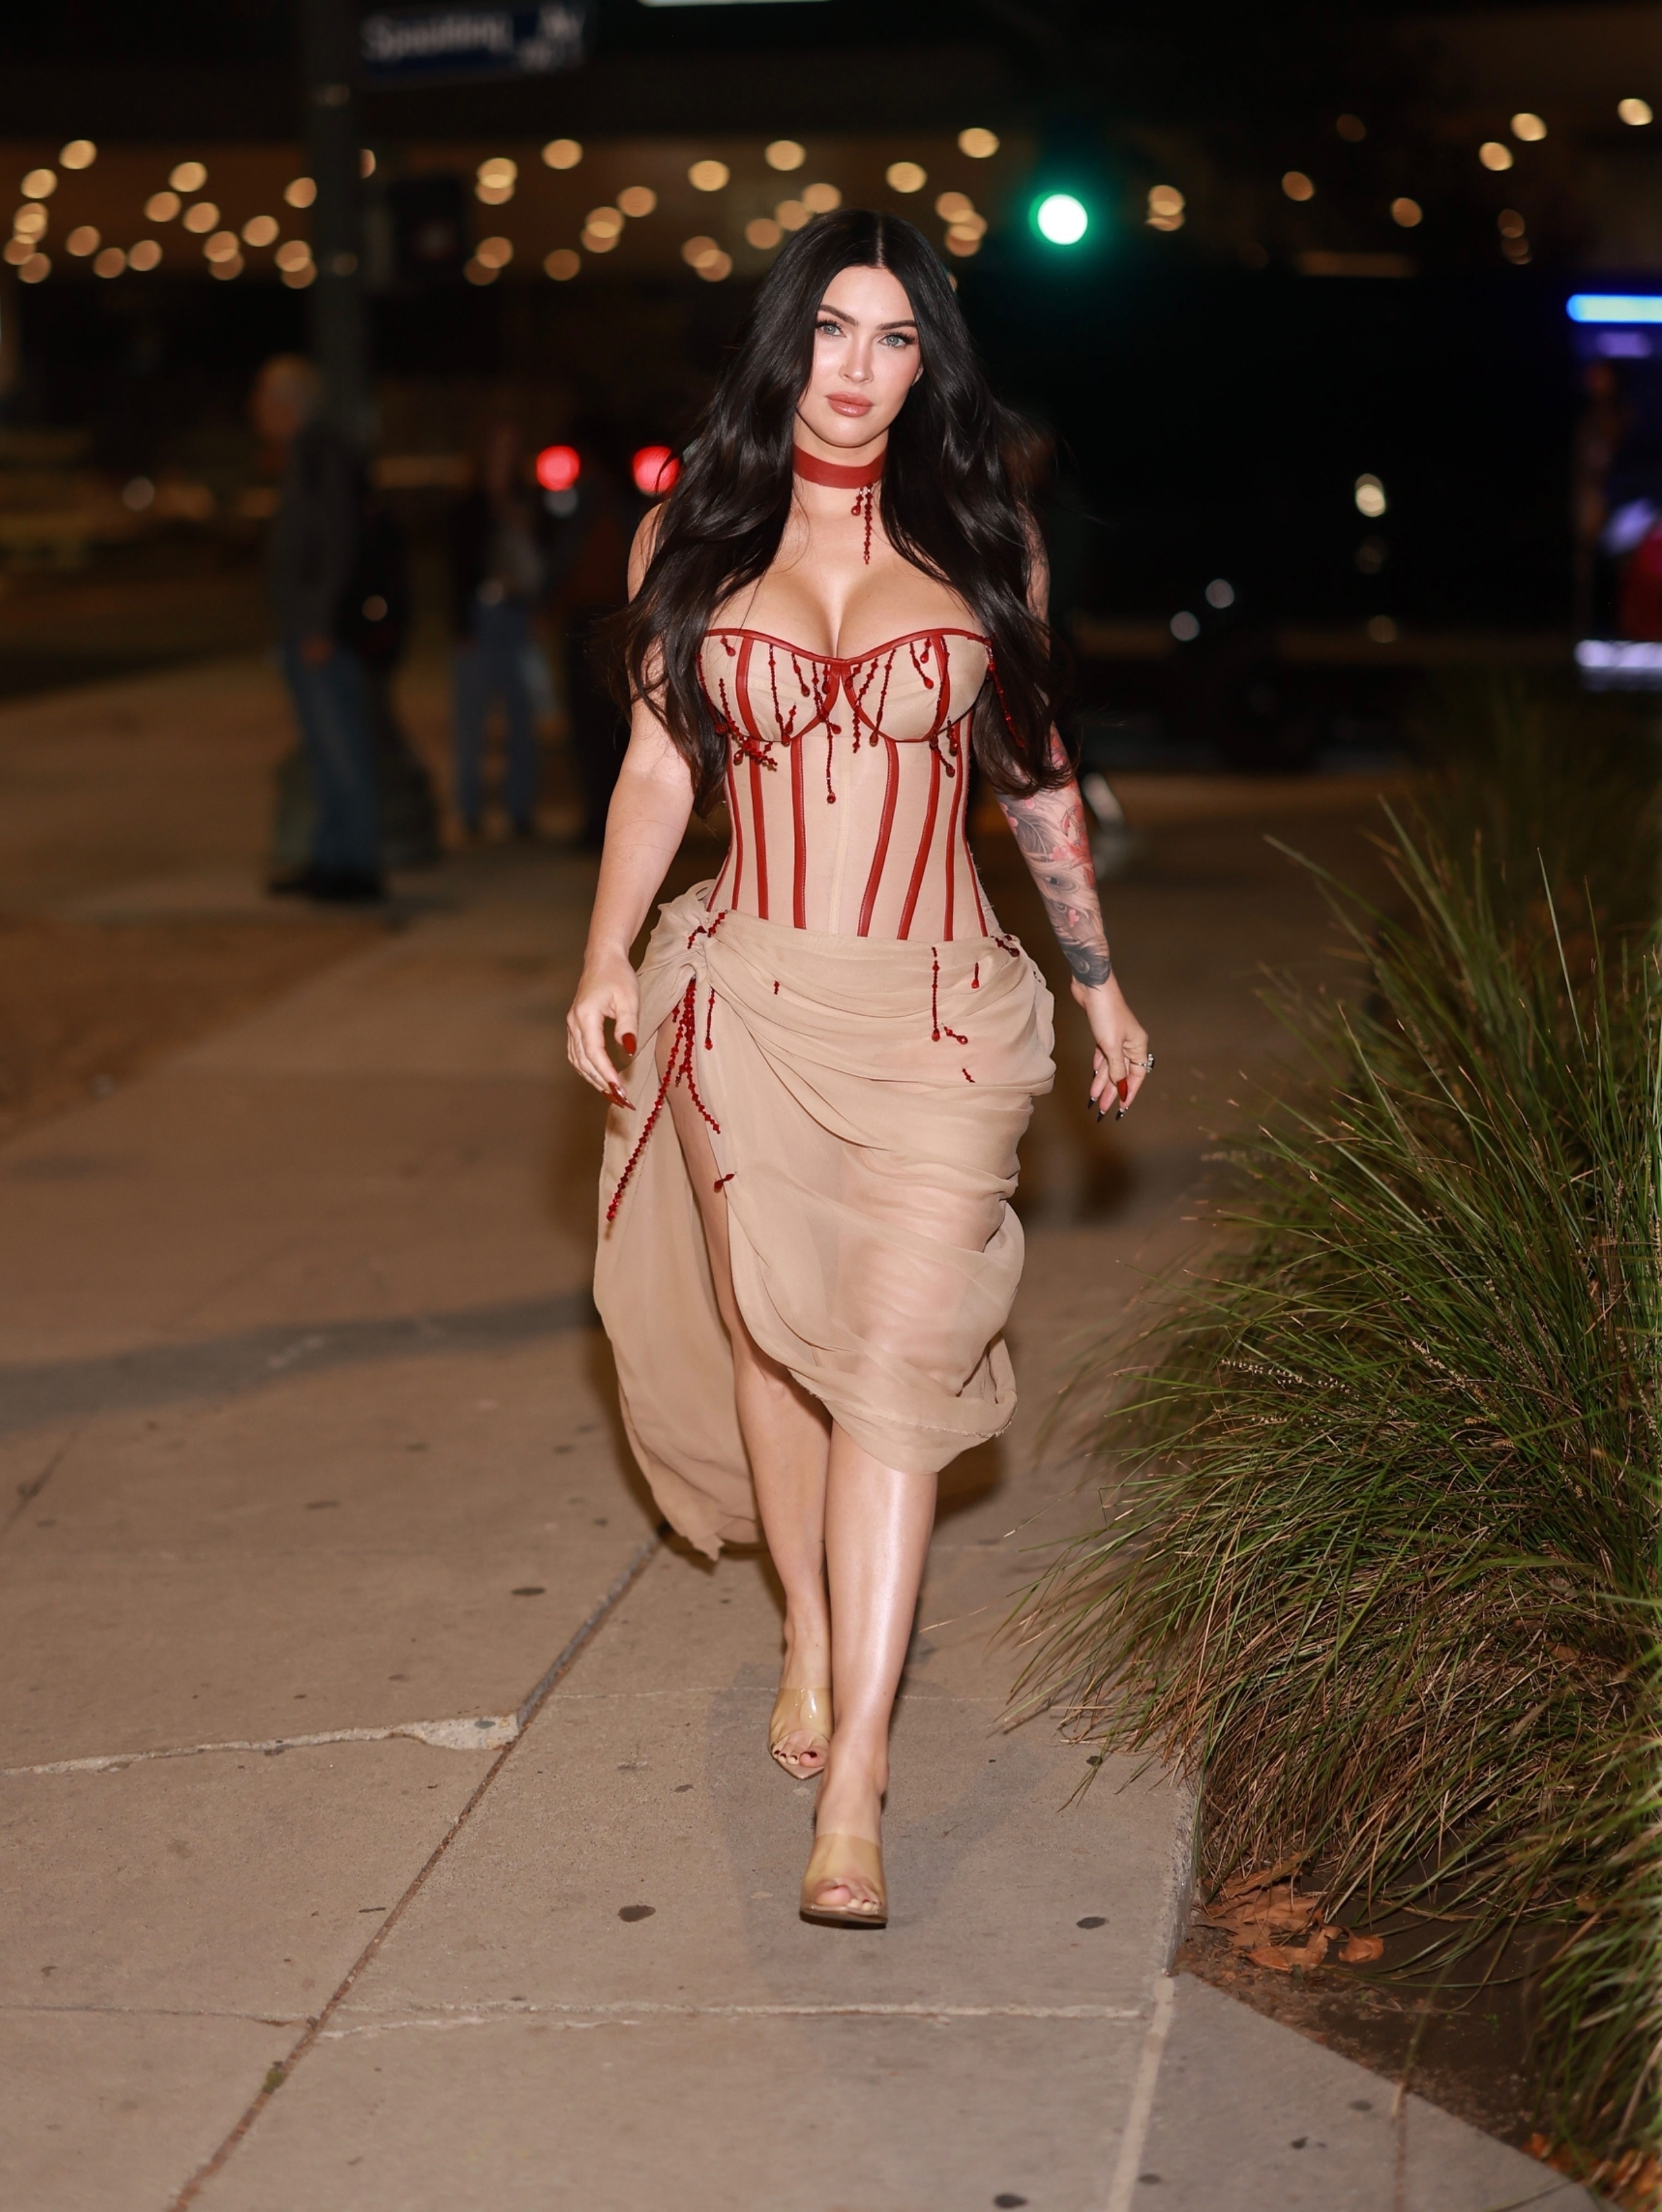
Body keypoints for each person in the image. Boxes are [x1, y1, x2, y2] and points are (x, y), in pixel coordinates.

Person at [565, 211, 1151, 1929]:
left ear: (926, 365)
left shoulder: (980, 536)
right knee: (774, 1337)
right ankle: (810, 1638)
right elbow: (659, 771)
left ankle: (860, 1779)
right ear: (784, 340)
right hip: (746, 993)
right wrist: (602, 952)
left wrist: (1099, 980)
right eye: (831, 328)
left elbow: (1031, 771)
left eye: (895, 339)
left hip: (938, 1017)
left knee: (892, 1364)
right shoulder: (689, 529)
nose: (858, 368)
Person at [251, 356, 383, 902]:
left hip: (320, 632)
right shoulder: (305, 454)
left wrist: (321, 623)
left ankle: (356, 865)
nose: (257, 409)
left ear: (289, 404)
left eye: (265, 398)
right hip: (309, 627)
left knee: (340, 746)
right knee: (326, 749)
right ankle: (332, 859)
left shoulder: (319, 455)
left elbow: (334, 543)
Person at [449, 420, 553, 839]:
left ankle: (519, 808)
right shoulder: (469, 503)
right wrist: (461, 626)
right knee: (472, 720)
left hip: (518, 614)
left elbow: (544, 557)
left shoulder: (530, 500)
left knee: (523, 717)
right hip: (481, 612)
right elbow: (457, 568)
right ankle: (470, 809)